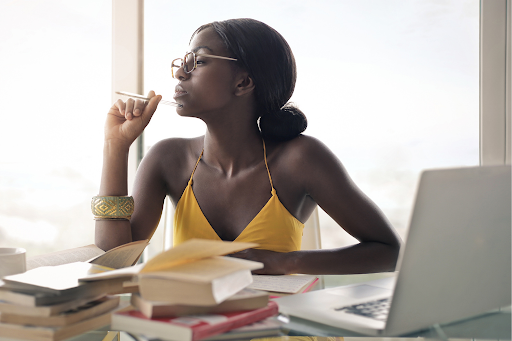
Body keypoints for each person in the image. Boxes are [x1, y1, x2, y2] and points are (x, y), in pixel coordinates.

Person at [93, 18, 401, 275]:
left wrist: (282, 261)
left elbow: (389, 251)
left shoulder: (301, 159)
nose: (179, 73)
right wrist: (115, 147)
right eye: (183, 62)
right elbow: (113, 262)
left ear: (243, 83)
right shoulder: (167, 159)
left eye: (198, 61)